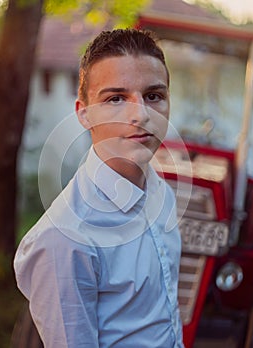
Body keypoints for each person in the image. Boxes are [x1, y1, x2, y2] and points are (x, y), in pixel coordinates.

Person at [14, 28, 184, 347]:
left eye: (153, 96)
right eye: (116, 98)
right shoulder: (63, 239)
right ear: (83, 113)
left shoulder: (161, 191)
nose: (141, 115)